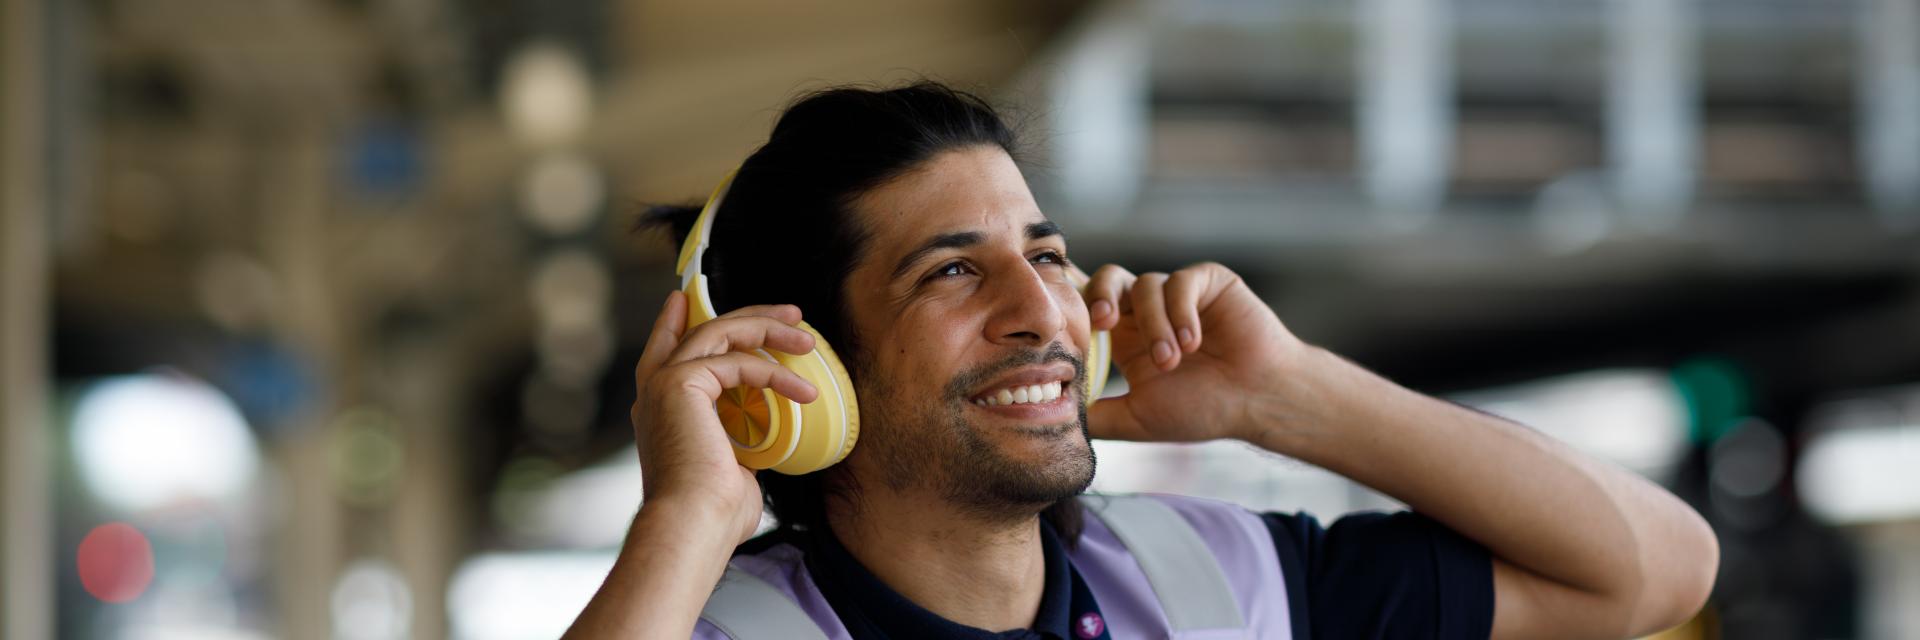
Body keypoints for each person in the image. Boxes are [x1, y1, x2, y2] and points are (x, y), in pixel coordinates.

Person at [563, 82, 1718, 639]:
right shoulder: (725, 629)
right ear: (802, 367)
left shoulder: (1214, 581)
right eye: (953, 272)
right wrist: (686, 518)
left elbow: (1654, 569)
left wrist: (1289, 396)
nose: (1046, 309)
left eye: (1048, 254)